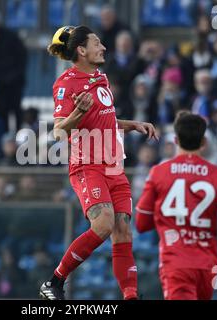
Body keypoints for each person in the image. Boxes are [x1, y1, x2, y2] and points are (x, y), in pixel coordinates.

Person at [39, 25, 158, 300]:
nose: (103, 47)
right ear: (81, 50)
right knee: (103, 225)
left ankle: (130, 296)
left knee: (123, 230)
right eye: (97, 43)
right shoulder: (66, 83)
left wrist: (133, 124)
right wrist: (78, 113)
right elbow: (59, 131)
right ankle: (54, 282)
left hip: (114, 165)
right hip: (87, 165)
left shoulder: (100, 79)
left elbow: (104, 121)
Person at [135, 113, 217, 300]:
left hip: (176, 263)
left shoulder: (158, 173)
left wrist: (168, 218)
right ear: (204, 142)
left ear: (176, 140)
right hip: (207, 265)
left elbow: (142, 223)